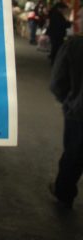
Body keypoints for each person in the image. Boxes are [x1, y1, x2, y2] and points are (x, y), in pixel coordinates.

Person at [50, 33, 83, 209]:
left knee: (74, 154)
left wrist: (69, 101)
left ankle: (64, 193)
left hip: (78, 111)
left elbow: (57, 82)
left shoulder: (75, 45)